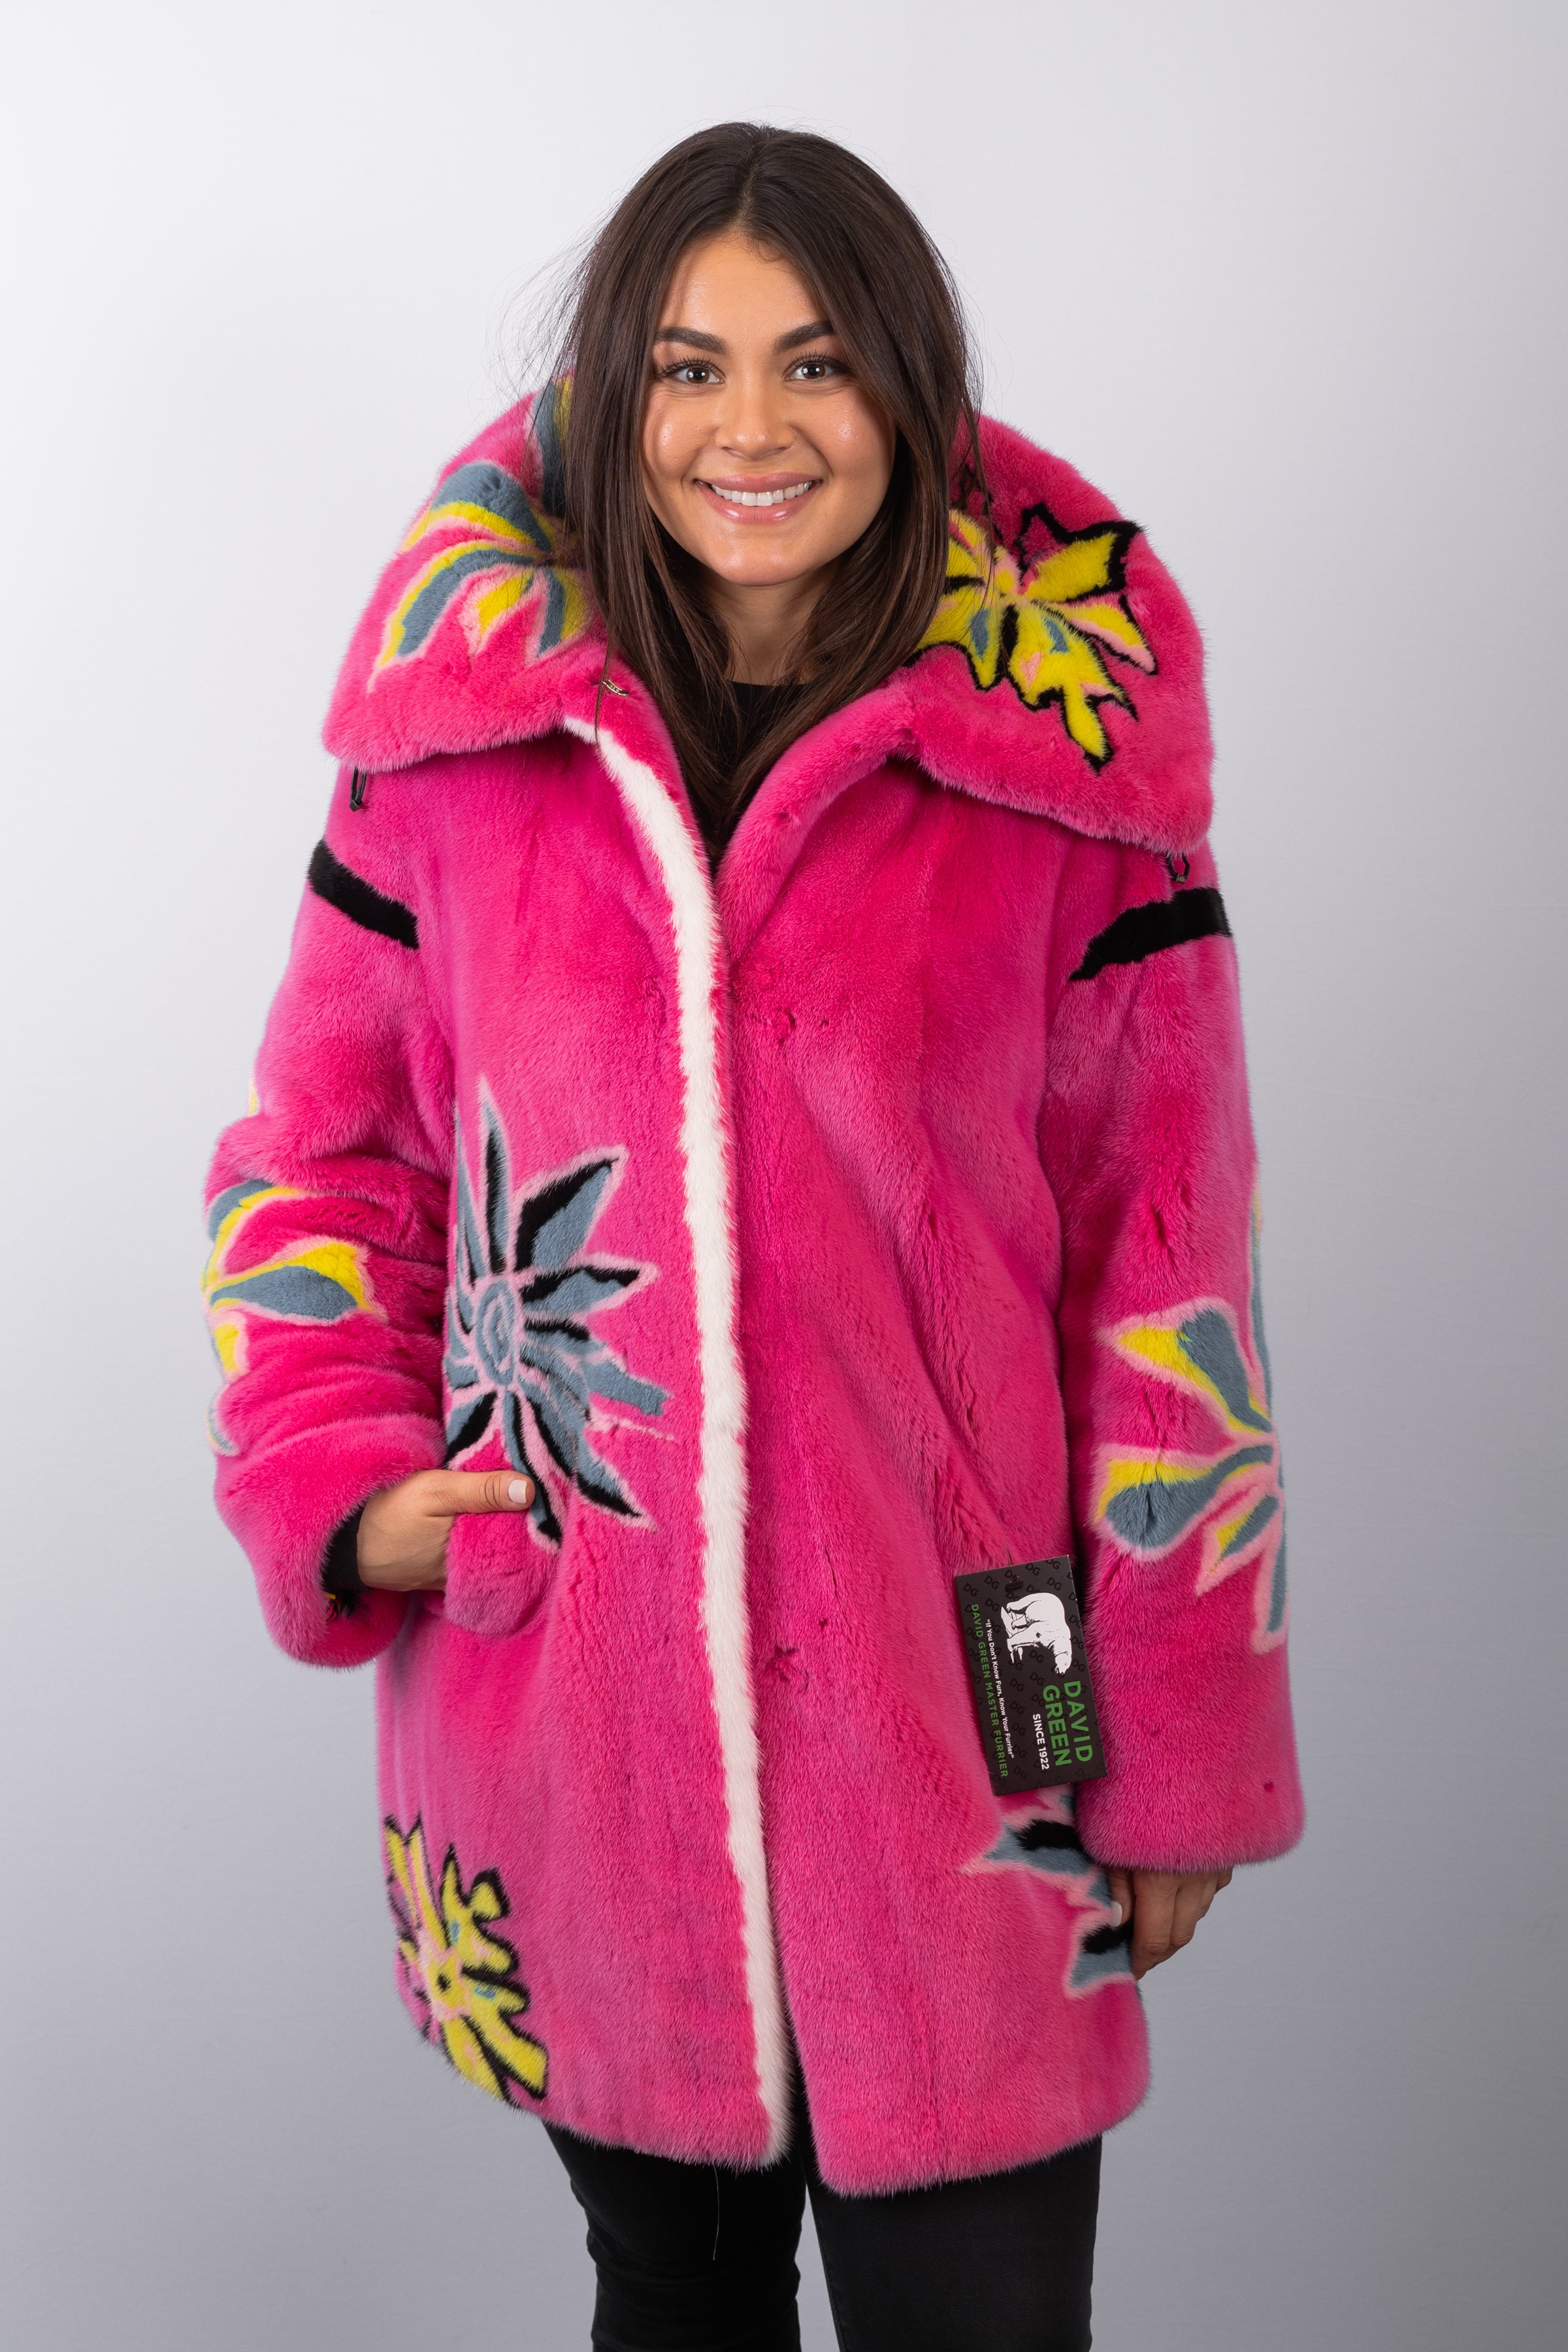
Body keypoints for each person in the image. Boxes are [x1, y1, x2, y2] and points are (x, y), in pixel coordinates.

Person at [204, 122, 1303, 2351]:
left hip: (978, 1698)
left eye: (817, 364)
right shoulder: (460, 758)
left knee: (985, 2310)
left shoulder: (1056, 775)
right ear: (615, 395)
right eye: (689, 369)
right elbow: (322, 1157)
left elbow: (1167, 1267)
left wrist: (1173, 1735)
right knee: (668, 2298)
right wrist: (344, 1485)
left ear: (909, 387)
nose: (752, 428)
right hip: (580, 1702)